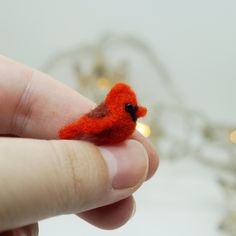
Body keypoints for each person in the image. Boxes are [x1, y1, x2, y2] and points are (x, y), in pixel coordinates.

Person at [0, 55, 159, 236]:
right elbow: (92, 124)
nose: (134, 110)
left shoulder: (127, 116)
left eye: (132, 107)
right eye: (129, 106)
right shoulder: (111, 116)